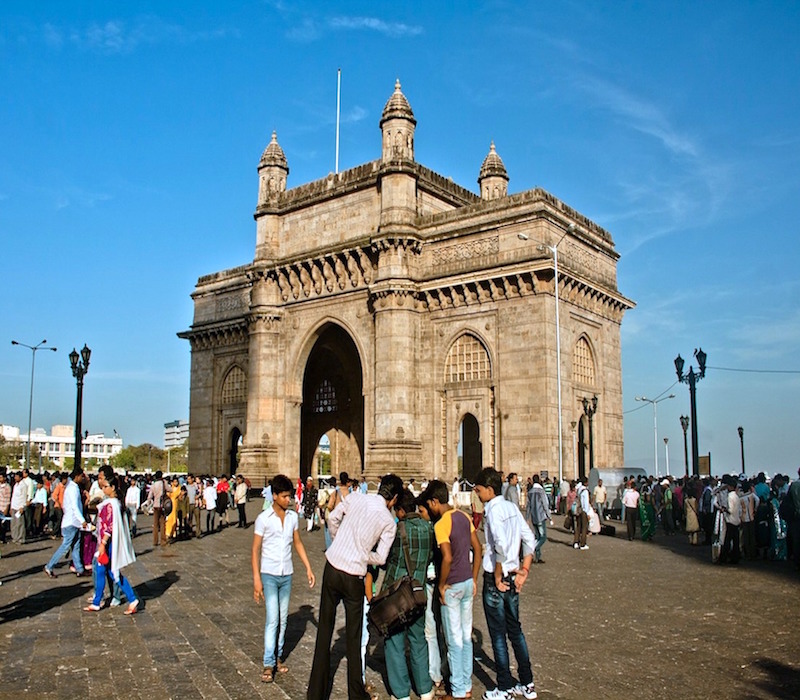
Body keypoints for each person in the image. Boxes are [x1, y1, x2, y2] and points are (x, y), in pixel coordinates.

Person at [307, 473, 403, 700]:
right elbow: (380, 558)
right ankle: (356, 696)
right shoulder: (388, 522)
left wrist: (339, 541)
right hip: (354, 578)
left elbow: (332, 519)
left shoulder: (356, 497)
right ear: (394, 498)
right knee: (353, 639)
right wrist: (361, 554)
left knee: (324, 633)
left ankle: (315, 694)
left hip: (332, 568)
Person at [474, 467, 537, 700]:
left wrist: (498, 574)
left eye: (479, 491)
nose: (478, 496)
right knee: (515, 630)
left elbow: (499, 545)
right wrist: (524, 571)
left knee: (498, 634)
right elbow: (529, 539)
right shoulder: (512, 507)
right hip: (513, 576)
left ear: (489, 490)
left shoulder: (492, 511)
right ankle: (527, 684)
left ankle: (504, 688)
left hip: (496, 579)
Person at [421, 480, 481, 700]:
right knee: (465, 638)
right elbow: (478, 548)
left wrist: (442, 584)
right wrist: (474, 578)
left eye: (430, 504)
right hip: (466, 583)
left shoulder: (441, 524)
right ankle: (466, 686)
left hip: (453, 586)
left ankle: (457, 692)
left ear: (435, 501)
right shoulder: (464, 516)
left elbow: (446, 557)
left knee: (453, 640)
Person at [252, 474, 315, 683]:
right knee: (272, 619)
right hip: (269, 574)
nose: (289, 500)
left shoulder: (292, 518)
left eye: (290, 496)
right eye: (286, 496)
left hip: (286, 573)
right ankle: (268, 663)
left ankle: (278, 657)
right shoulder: (263, 519)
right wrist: (256, 580)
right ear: (275, 496)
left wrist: (308, 567)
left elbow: (297, 543)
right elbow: (255, 550)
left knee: (283, 618)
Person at [382, 488, 436, 700]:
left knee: (394, 640)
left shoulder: (397, 530)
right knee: (418, 639)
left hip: (397, 593)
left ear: (401, 510)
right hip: (418, 591)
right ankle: (424, 689)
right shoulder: (428, 528)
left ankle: (401, 692)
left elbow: (387, 560)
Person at [84, 475, 139, 614]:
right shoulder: (113, 503)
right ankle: (100, 600)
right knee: (107, 571)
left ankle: (130, 599)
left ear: (113, 487)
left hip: (107, 543)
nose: (103, 489)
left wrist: (102, 543)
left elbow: (109, 526)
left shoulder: (111, 504)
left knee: (111, 572)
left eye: (106, 486)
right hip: (107, 542)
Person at [44, 467, 89, 577]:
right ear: (77, 476)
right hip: (71, 522)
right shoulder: (73, 489)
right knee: (65, 546)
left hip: (73, 522)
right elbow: (74, 506)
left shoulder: (71, 488)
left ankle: (79, 569)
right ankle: (49, 566)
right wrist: (82, 520)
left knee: (76, 546)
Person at [526, 475, 550, 563]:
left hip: (533, 516)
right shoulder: (541, 491)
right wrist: (549, 516)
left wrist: (527, 517)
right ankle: (534, 549)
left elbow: (528, 506)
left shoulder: (530, 492)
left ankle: (538, 557)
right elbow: (545, 504)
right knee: (543, 537)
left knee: (537, 536)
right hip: (540, 516)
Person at [150, 471, 168, 546]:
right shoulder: (164, 483)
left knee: (155, 524)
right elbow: (170, 489)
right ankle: (163, 541)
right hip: (162, 505)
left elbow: (150, 496)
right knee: (163, 523)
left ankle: (155, 541)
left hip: (155, 505)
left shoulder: (153, 485)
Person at [572, 477, 590, 550]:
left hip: (578, 510)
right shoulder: (585, 491)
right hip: (583, 510)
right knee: (584, 527)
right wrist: (587, 512)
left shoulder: (579, 489)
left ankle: (576, 542)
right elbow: (585, 502)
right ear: (585, 482)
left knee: (578, 527)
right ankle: (583, 544)